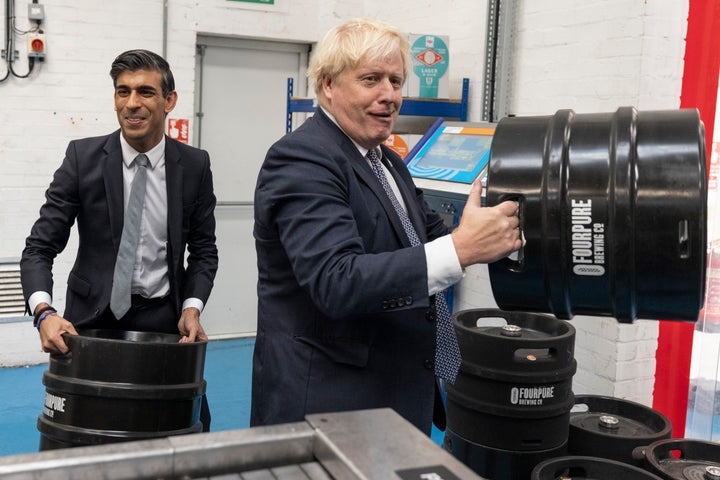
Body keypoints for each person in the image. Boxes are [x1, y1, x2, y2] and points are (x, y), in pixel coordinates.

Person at [250, 18, 522, 435]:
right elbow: (336, 281)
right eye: (371, 79)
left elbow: (430, 237)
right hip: (330, 403)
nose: (389, 96)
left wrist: (495, 225)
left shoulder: (387, 162)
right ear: (327, 85)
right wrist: (463, 249)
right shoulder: (302, 159)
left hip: (393, 391)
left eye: (396, 81)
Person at [20, 49, 218, 431]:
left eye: (145, 92)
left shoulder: (194, 166)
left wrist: (192, 308)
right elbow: (39, 248)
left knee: (185, 429)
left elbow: (204, 250)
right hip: (87, 323)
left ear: (169, 101)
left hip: (165, 320)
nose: (132, 104)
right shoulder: (83, 159)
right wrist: (44, 312)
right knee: (81, 433)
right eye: (122, 91)